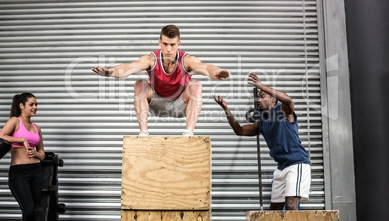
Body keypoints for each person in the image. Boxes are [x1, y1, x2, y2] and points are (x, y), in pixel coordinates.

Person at [92, 25, 230, 136]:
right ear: (159, 42)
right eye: (165, 44)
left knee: (196, 85)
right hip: (157, 103)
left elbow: (205, 67)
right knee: (140, 84)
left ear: (178, 44)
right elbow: (129, 68)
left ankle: (189, 133)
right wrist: (110, 72)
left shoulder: (186, 60)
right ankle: (144, 132)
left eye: (172, 45)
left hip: (180, 105)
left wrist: (217, 73)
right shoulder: (151, 59)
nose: (168, 49)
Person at [213, 72, 311, 210]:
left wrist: (262, 86)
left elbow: (289, 101)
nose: (258, 101)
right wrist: (226, 109)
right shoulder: (262, 122)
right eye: (258, 98)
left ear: (273, 100)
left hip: (297, 163)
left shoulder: (282, 112)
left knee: (291, 205)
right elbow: (239, 131)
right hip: (281, 167)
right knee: (274, 210)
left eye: (262, 97)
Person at [0, 93, 45, 221]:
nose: (35, 107)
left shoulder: (37, 128)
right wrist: (22, 139)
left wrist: (36, 154)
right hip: (19, 173)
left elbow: (42, 153)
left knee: (34, 212)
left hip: (37, 171)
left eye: (36, 104)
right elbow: (2, 136)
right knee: (29, 210)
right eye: (31, 104)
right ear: (21, 105)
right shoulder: (15, 121)